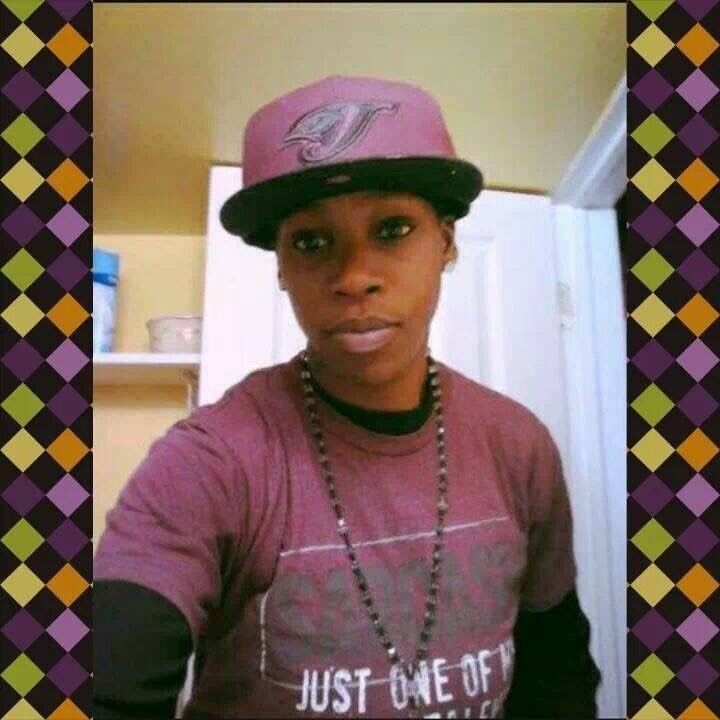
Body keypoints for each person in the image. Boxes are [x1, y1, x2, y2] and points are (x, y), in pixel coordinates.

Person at [93, 75, 601, 719]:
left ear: (446, 244)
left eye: (392, 228)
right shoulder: (212, 460)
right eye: (311, 241)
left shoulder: (516, 443)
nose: (355, 276)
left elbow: (557, 670)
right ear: (281, 268)